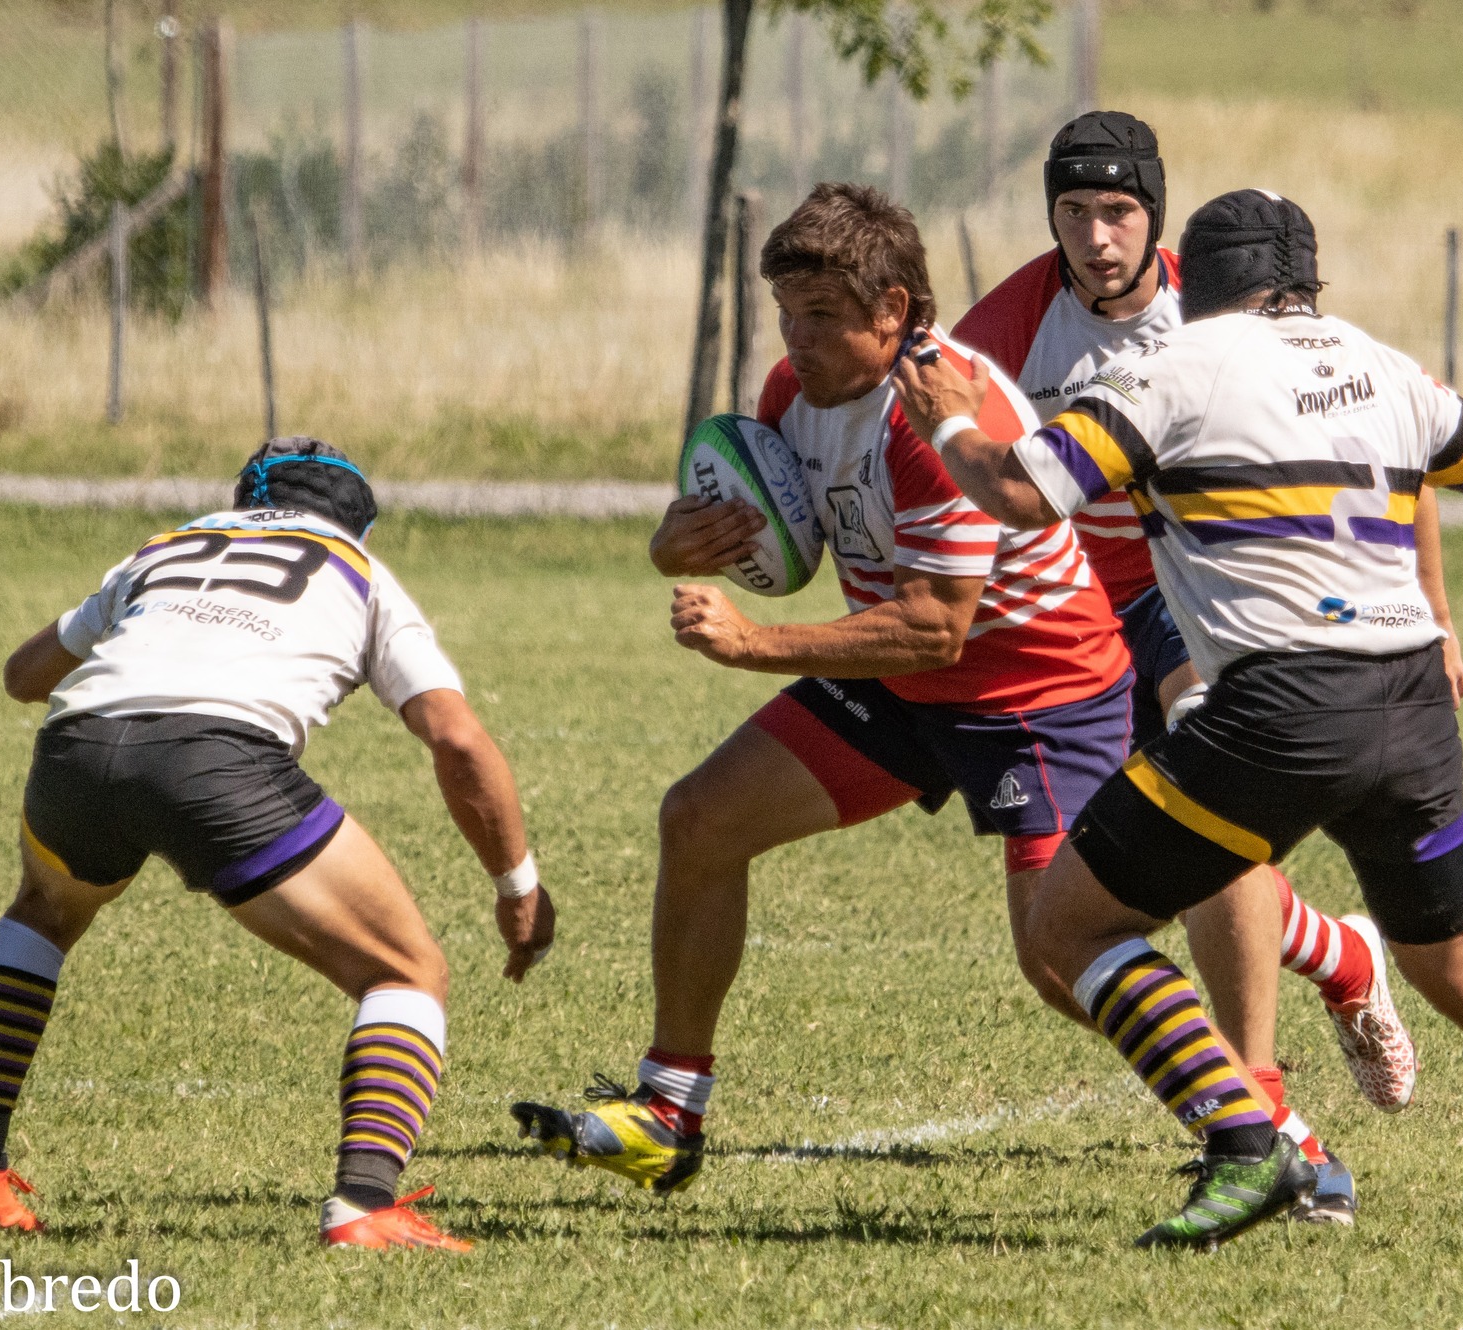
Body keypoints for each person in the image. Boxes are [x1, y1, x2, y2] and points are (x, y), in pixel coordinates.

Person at [892, 188, 1463, 1250]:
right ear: (1305, 281)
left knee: (1069, 927)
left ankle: (1246, 1140)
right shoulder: (1380, 362)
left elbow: (1016, 490)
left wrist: (946, 413)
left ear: (1200, 283)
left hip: (1277, 706)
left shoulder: (1177, 366)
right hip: (1411, 704)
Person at [509, 182, 1233, 1196]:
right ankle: (667, 1111)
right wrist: (679, 541)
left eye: (819, 318)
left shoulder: (939, 416)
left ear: (892, 312)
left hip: (1037, 690)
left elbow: (939, 624)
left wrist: (754, 642)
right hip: (899, 685)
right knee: (702, 817)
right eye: (785, 316)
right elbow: (803, 546)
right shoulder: (788, 397)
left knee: (1058, 951)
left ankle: (1255, 1125)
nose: (793, 342)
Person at [953, 112, 1432, 1220]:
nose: (1096, 236)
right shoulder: (1009, 328)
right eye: (1073, 212)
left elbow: (1385, 431)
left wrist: (1434, 613)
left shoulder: (1214, 309)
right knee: (1055, 945)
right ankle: (1334, 954)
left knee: (1214, 807)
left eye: (1117, 210)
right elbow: (955, 467)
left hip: (1191, 592)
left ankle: (1257, 1109)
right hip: (1064, 611)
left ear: (1154, 216)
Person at [0, 437, 554, 1252]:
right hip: (217, 762)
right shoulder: (360, 572)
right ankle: (365, 1203)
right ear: (356, 523)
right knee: (406, 970)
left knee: (43, 914)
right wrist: (518, 888)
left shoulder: (167, 546)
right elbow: (458, 741)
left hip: (75, 748)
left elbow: (23, 676)